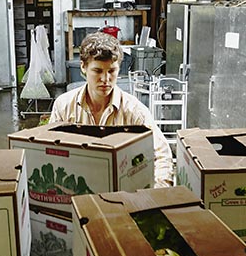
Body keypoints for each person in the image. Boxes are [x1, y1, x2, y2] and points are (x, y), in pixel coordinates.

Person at [49, 31, 174, 188]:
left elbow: (161, 155)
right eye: (98, 71)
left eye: (112, 71)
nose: (105, 79)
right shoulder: (64, 106)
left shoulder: (135, 111)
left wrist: (156, 192)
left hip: (122, 193)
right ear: (83, 67)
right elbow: (51, 151)